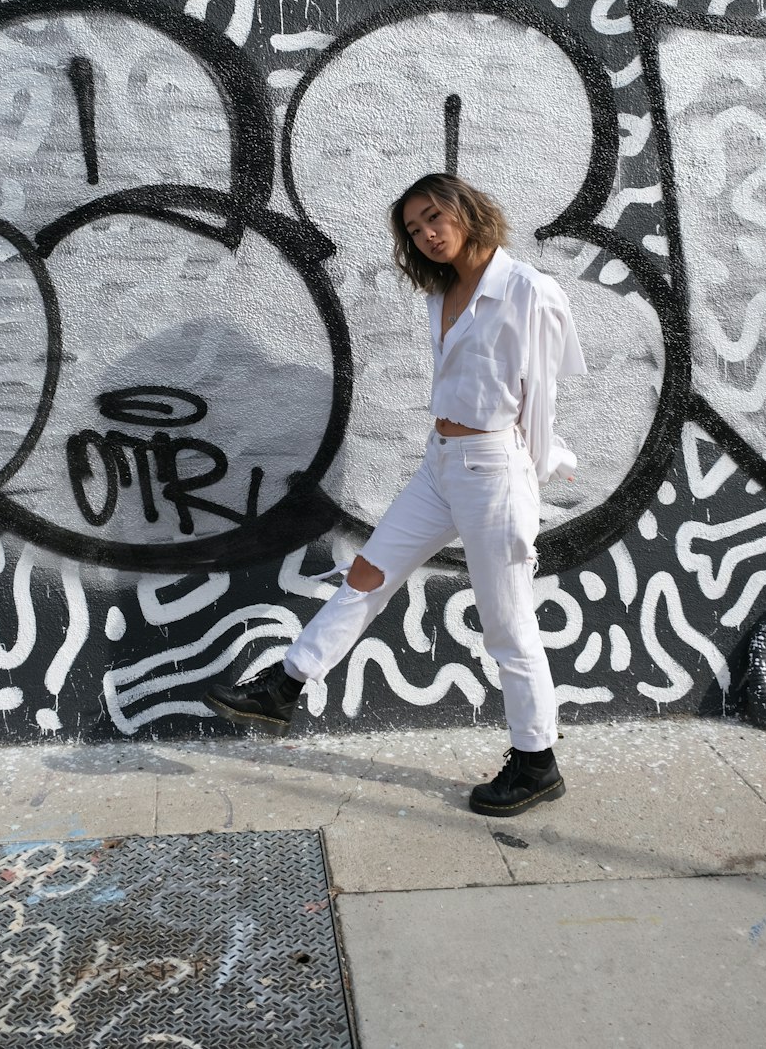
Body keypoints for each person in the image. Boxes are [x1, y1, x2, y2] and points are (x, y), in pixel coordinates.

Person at [205, 172, 587, 817]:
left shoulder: (528, 290)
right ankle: (283, 685)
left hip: (493, 470)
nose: (428, 234)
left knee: (509, 623)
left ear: (468, 212)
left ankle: (536, 761)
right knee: (368, 573)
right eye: (414, 229)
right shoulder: (443, 291)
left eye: (436, 217)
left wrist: (540, 467)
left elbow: (544, 393)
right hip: (440, 464)